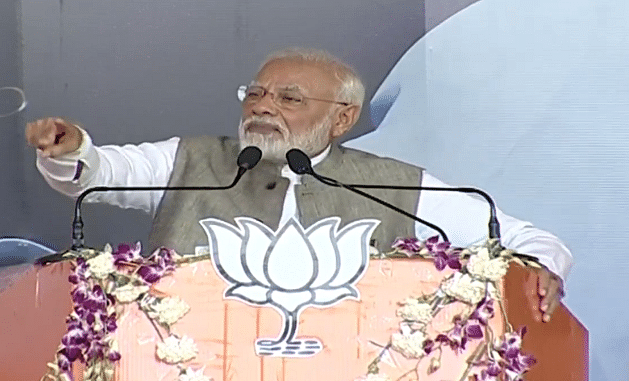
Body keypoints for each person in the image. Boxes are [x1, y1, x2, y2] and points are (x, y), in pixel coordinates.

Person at [25, 48, 571, 323]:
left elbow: (528, 240)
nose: (263, 106)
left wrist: (539, 270)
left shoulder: (394, 184)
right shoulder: (192, 160)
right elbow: (96, 176)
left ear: (342, 118)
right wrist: (71, 149)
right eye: (256, 93)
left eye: (288, 99)